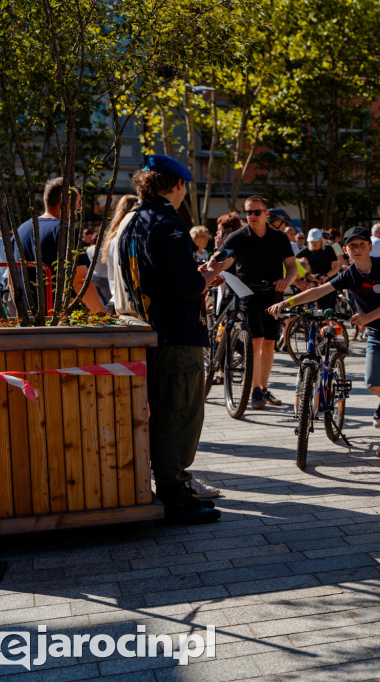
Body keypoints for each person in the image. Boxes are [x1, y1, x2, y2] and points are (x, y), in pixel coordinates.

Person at [117, 154, 227, 523]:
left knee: (162, 413)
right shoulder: (170, 223)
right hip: (176, 334)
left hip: (146, 329)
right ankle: (174, 494)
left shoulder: (134, 220)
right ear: (177, 185)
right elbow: (185, 286)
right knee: (178, 414)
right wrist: (208, 274)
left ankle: (171, 489)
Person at [268, 226, 380, 458]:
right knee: (373, 384)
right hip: (376, 335)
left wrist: (367, 318)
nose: (357, 249)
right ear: (346, 250)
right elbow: (318, 291)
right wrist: (286, 304)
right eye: (352, 246)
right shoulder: (350, 274)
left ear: (369, 247)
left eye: (361, 245)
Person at [216, 195, 297, 409]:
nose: (252, 216)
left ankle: (262, 387)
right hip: (247, 293)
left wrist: (285, 281)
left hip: (273, 293)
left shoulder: (279, 238)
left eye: (257, 212)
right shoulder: (238, 237)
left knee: (270, 342)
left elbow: (291, 266)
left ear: (266, 214)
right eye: (249, 212)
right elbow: (219, 256)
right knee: (256, 340)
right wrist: (212, 267)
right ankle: (253, 390)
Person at [16, 177, 105, 313]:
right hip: (63, 321)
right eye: (78, 202)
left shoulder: (21, 230)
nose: (80, 207)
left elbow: (12, 277)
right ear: (66, 202)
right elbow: (79, 281)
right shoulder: (65, 231)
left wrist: (21, 313)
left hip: (30, 318)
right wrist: (101, 315)